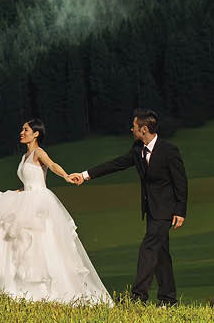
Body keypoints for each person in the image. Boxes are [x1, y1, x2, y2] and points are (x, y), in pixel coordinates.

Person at [0, 119, 114, 305]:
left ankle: (51, 290)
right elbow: (28, 181)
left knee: (42, 246)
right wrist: (15, 193)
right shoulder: (24, 157)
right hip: (26, 198)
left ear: (36, 133)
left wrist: (66, 176)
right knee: (15, 242)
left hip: (39, 203)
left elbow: (52, 165)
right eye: (22, 129)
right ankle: (19, 287)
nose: (22, 132)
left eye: (26, 129)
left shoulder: (38, 152)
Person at [69, 108, 187, 306]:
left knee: (148, 249)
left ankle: (138, 298)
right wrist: (85, 175)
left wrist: (180, 211)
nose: (131, 129)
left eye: (134, 126)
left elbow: (181, 182)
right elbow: (117, 164)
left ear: (144, 129)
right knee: (161, 253)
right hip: (151, 210)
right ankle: (168, 299)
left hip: (165, 210)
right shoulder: (137, 149)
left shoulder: (169, 150)